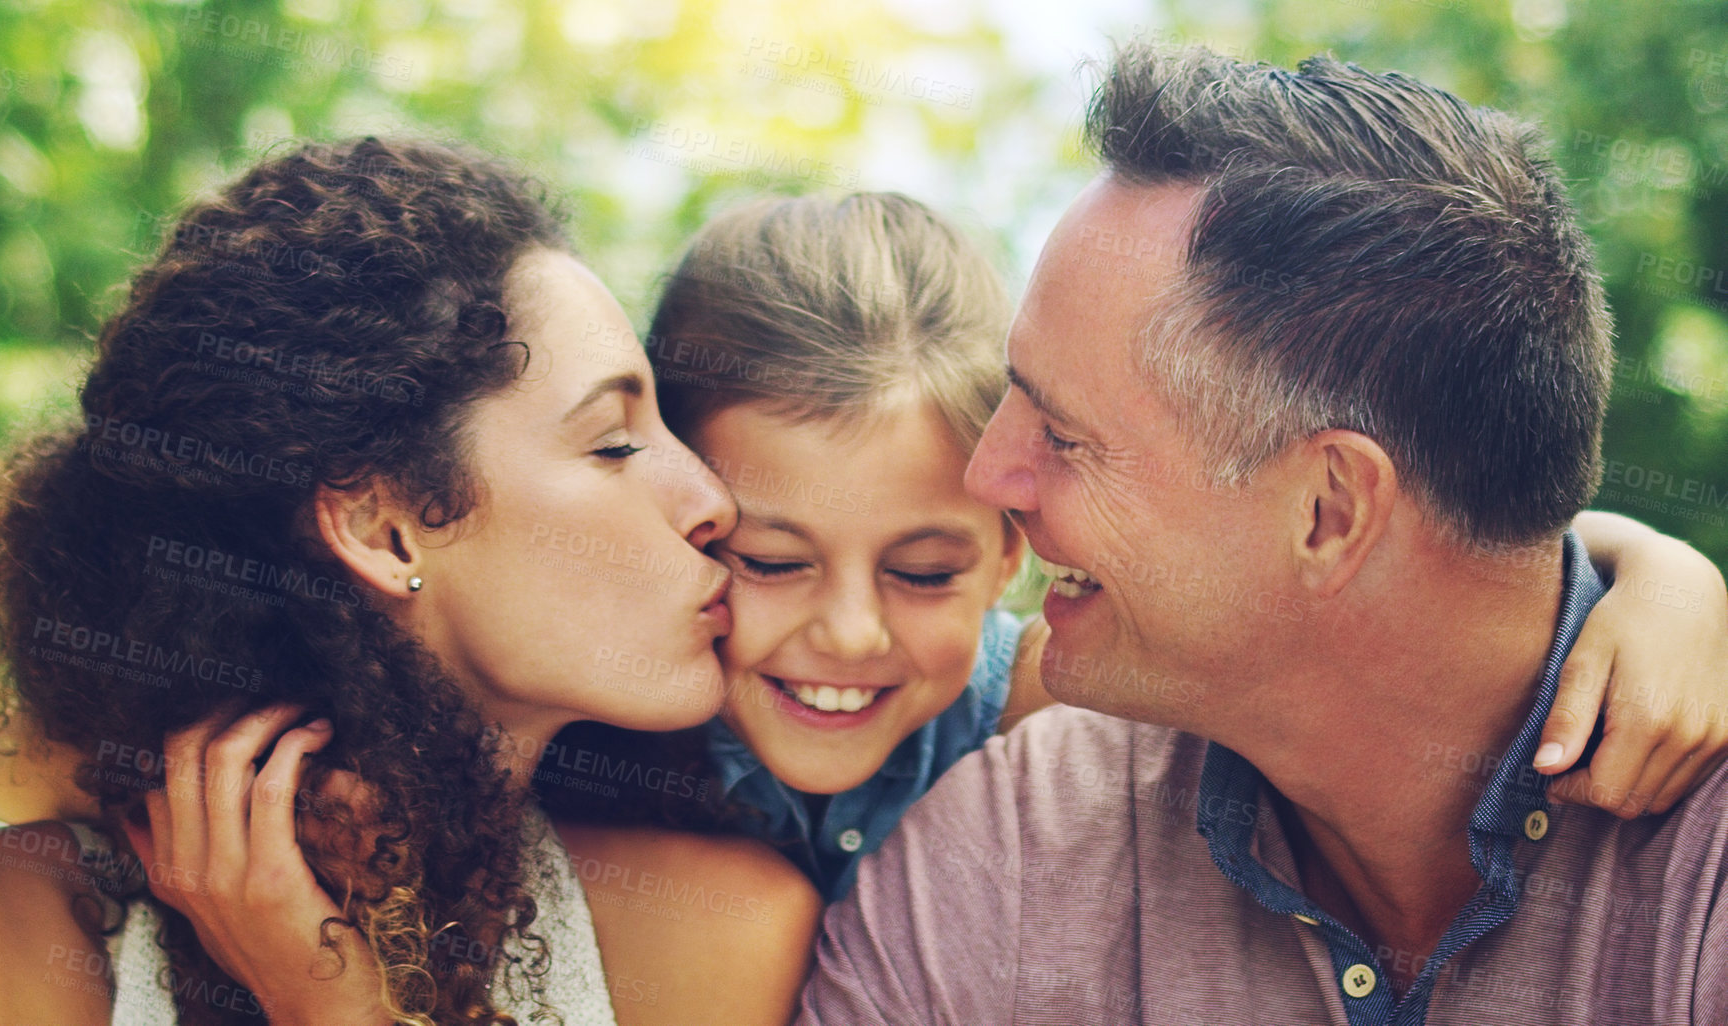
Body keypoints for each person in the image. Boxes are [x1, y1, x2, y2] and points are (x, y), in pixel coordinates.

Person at [797, 42, 1728, 1025]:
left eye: (1064, 437)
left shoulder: (1699, 862)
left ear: (1329, 513)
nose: (990, 478)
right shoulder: (1006, 854)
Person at [0, 138, 820, 1026]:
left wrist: (331, 1005)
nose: (711, 499)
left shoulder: (717, 934)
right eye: (613, 443)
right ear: (380, 526)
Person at [549, 190, 1728, 903]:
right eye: (768, 560)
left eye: (924, 573)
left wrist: (1654, 572)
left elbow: (1400, 564)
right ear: (686, 514)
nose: (850, 632)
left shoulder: (1051, 698)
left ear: (1019, 542)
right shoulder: (605, 705)